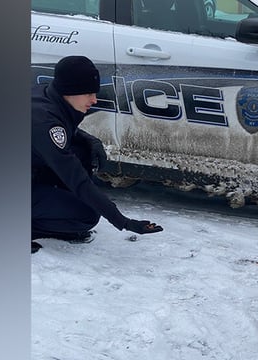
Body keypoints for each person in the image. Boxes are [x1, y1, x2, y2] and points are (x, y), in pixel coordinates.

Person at [31, 56, 163, 253]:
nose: (94, 100)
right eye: (89, 93)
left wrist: (91, 140)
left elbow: (60, 130)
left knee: (83, 150)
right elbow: (77, 180)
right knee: (86, 214)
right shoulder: (44, 122)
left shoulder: (47, 96)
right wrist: (123, 222)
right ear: (70, 91)